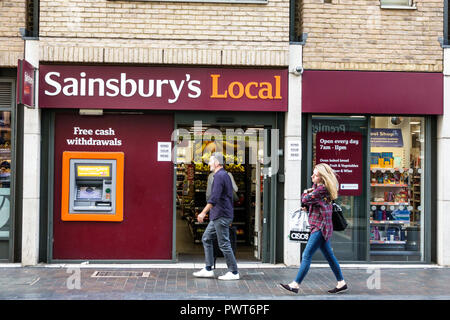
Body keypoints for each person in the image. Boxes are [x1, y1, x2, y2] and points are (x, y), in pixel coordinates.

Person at [280, 163, 347, 294]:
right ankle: (341, 282)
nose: (312, 176)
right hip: (323, 226)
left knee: (306, 255)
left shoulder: (321, 190)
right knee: (329, 256)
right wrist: (308, 205)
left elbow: (305, 198)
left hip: (320, 227)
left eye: (315, 175)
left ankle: (295, 284)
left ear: (322, 178)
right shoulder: (320, 188)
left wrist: (306, 193)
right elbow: (314, 204)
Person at [193, 152, 240, 280]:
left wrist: (203, 212)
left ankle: (234, 272)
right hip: (218, 215)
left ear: (217, 163)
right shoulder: (223, 175)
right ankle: (208, 269)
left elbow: (214, 198)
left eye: (210, 161)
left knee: (224, 243)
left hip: (221, 215)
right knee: (206, 238)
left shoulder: (219, 176)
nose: (208, 164)